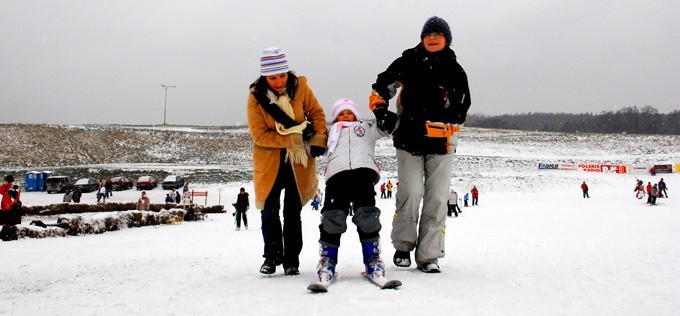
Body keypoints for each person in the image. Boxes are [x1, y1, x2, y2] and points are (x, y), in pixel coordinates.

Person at [370, 16, 471, 273]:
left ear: (447, 40)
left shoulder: (455, 71)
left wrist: (447, 119)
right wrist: (382, 111)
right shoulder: (408, 61)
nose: (433, 38)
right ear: (422, 38)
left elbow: (462, 107)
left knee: (437, 198)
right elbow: (382, 86)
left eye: (438, 34)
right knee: (411, 192)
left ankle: (429, 255)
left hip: (443, 142)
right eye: (428, 34)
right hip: (408, 138)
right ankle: (403, 246)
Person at [247, 47, 327, 275]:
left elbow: (317, 113)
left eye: (282, 75)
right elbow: (259, 135)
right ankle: (271, 257)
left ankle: (292, 260)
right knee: (269, 211)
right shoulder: (255, 97)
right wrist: (293, 138)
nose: (279, 81)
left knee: (293, 212)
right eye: (273, 77)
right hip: (269, 160)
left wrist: (319, 138)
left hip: (298, 160)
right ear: (265, 77)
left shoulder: (300, 86)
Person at [314, 98, 395, 284]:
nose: (345, 117)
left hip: (362, 175)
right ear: (335, 118)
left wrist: (383, 114)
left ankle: (372, 260)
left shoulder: (366, 128)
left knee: (367, 216)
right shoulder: (330, 133)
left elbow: (386, 127)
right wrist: (310, 135)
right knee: (332, 216)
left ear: (356, 114)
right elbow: (316, 148)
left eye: (349, 112)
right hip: (337, 177)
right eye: (341, 114)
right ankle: (327, 261)